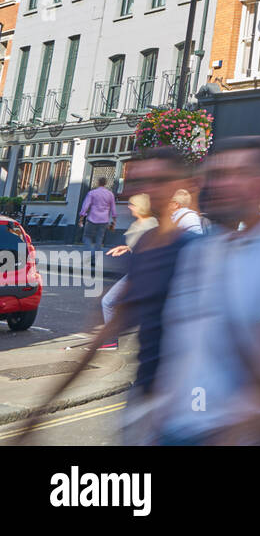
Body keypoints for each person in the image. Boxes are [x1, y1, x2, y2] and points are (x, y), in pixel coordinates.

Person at [16, 147, 200, 445]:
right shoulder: (147, 245)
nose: (151, 189)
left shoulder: (196, 251)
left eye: (161, 179)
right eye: (145, 180)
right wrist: (43, 408)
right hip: (144, 400)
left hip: (188, 410)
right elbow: (108, 329)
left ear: (182, 186)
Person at [153, 137, 260, 445]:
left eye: (241, 173)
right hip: (178, 426)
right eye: (220, 174)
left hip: (229, 433)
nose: (225, 183)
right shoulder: (199, 251)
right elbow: (184, 347)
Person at [98, 193, 158, 345]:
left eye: (133, 204)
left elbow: (151, 248)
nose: (130, 207)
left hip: (143, 273)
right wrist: (126, 248)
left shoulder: (150, 224)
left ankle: (111, 341)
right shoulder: (139, 223)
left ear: (141, 207)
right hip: (138, 272)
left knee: (109, 301)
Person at [79, 176, 118, 271]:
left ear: (98, 183)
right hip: (104, 220)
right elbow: (113, 208)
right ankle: (93, 260)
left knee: (87, 237)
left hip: (92, 219)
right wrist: (114, 221)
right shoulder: (110, 194)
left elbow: (85, 206)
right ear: (105, 183)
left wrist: (81, 218)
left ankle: (89, 256)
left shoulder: (92, 193)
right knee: (99, 240)